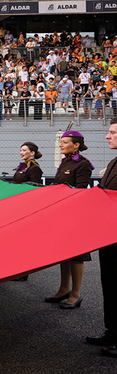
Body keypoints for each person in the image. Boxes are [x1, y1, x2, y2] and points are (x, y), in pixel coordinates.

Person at [45, 130, 93, 309]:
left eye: (65, 142)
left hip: (76, 215)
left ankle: (75, 294)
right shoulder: (65, 162)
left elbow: (80, 191)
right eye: (61, 142)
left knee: (77, 256)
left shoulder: (83, 164)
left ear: (76, 145)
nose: (61, 144)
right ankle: (64, 289)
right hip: (63, 213)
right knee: (64, 253)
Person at [89, 119, 117, 355]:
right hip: (109, 236)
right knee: (110, 285)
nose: (107, 136)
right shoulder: (113, 162)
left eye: (112, 132)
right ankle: (112, 332)